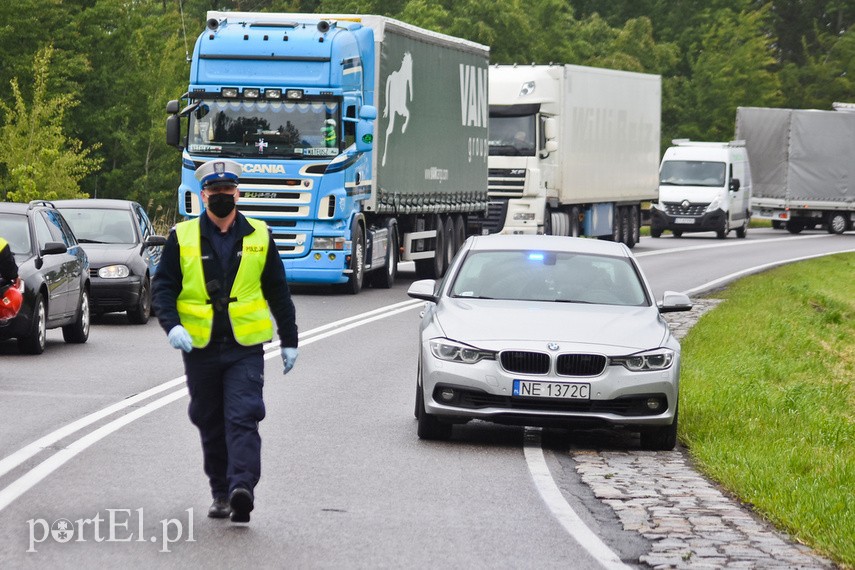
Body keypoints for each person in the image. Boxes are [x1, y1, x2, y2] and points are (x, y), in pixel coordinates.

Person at [152, 159, 299, 523]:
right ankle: (220, 490)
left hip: (243, 348)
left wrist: (290, 338)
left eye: (227, 192)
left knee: (243, 415)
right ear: (203, 196)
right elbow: (163, 287)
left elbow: (278, 291)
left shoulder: (259, 236)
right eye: (215, 192)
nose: (221, 197)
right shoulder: (181, 237)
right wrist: (171, 326)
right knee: (209, 419)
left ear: (238, 194)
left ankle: (242, 488)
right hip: (199, 347)